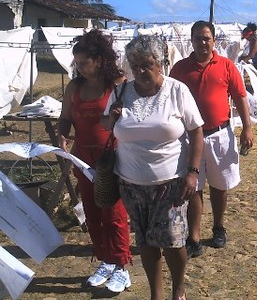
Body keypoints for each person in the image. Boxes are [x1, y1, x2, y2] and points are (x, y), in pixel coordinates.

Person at [103, 35, 204, 300]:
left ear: (160, 63)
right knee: (146, 241)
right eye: (135, 65)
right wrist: (110, 118)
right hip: (130, 183)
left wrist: (193, 172)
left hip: (170, 182)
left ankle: (178, 288)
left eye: (146, 64)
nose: (140, 71)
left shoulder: (177, 90)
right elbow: (106, 127)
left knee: (172, 241)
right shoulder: (120, 92)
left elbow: (196, 131)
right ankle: (156, 294)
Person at [58, 28, 132, 294]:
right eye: (76, 63)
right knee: (91, 212)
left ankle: (122, 266)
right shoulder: (74, 86)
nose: (79, 68)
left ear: (99, 60)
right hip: (82, 158)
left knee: (113, 213)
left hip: (110, 157)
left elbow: (130, 117)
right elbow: (65, 117)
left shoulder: (117, 84)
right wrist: (63, 135)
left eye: (84, 63)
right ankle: (106, 261)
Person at [170, 21, 253, 257]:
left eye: (206, 38)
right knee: (193, 186)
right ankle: (193, 237)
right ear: (192, 40)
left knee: (220, 185)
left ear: (214, 40)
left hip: (220, 135)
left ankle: (218, 227)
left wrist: (247, 127)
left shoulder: (226, 66)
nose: (202, 42)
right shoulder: (180, 69)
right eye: (198, 38)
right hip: (189, 139)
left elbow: (239, 97)